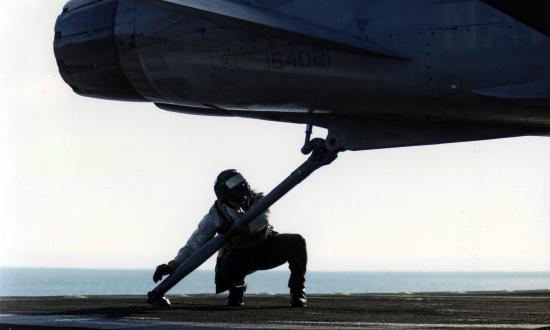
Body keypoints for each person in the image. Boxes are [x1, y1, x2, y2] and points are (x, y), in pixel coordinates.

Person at [153, 169, 308, 307]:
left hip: (265, 249)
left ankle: (297, 292)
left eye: (244, 192)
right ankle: (237, 291)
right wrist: (173, 265)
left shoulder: (260, 200)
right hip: (239, 257)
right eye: (236, 195)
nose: (243, 199)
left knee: (297, 242)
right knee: (228, 267)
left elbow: (263, 219)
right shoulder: (215, 216)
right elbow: (195, 245)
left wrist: (243, 229)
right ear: (223, 198)